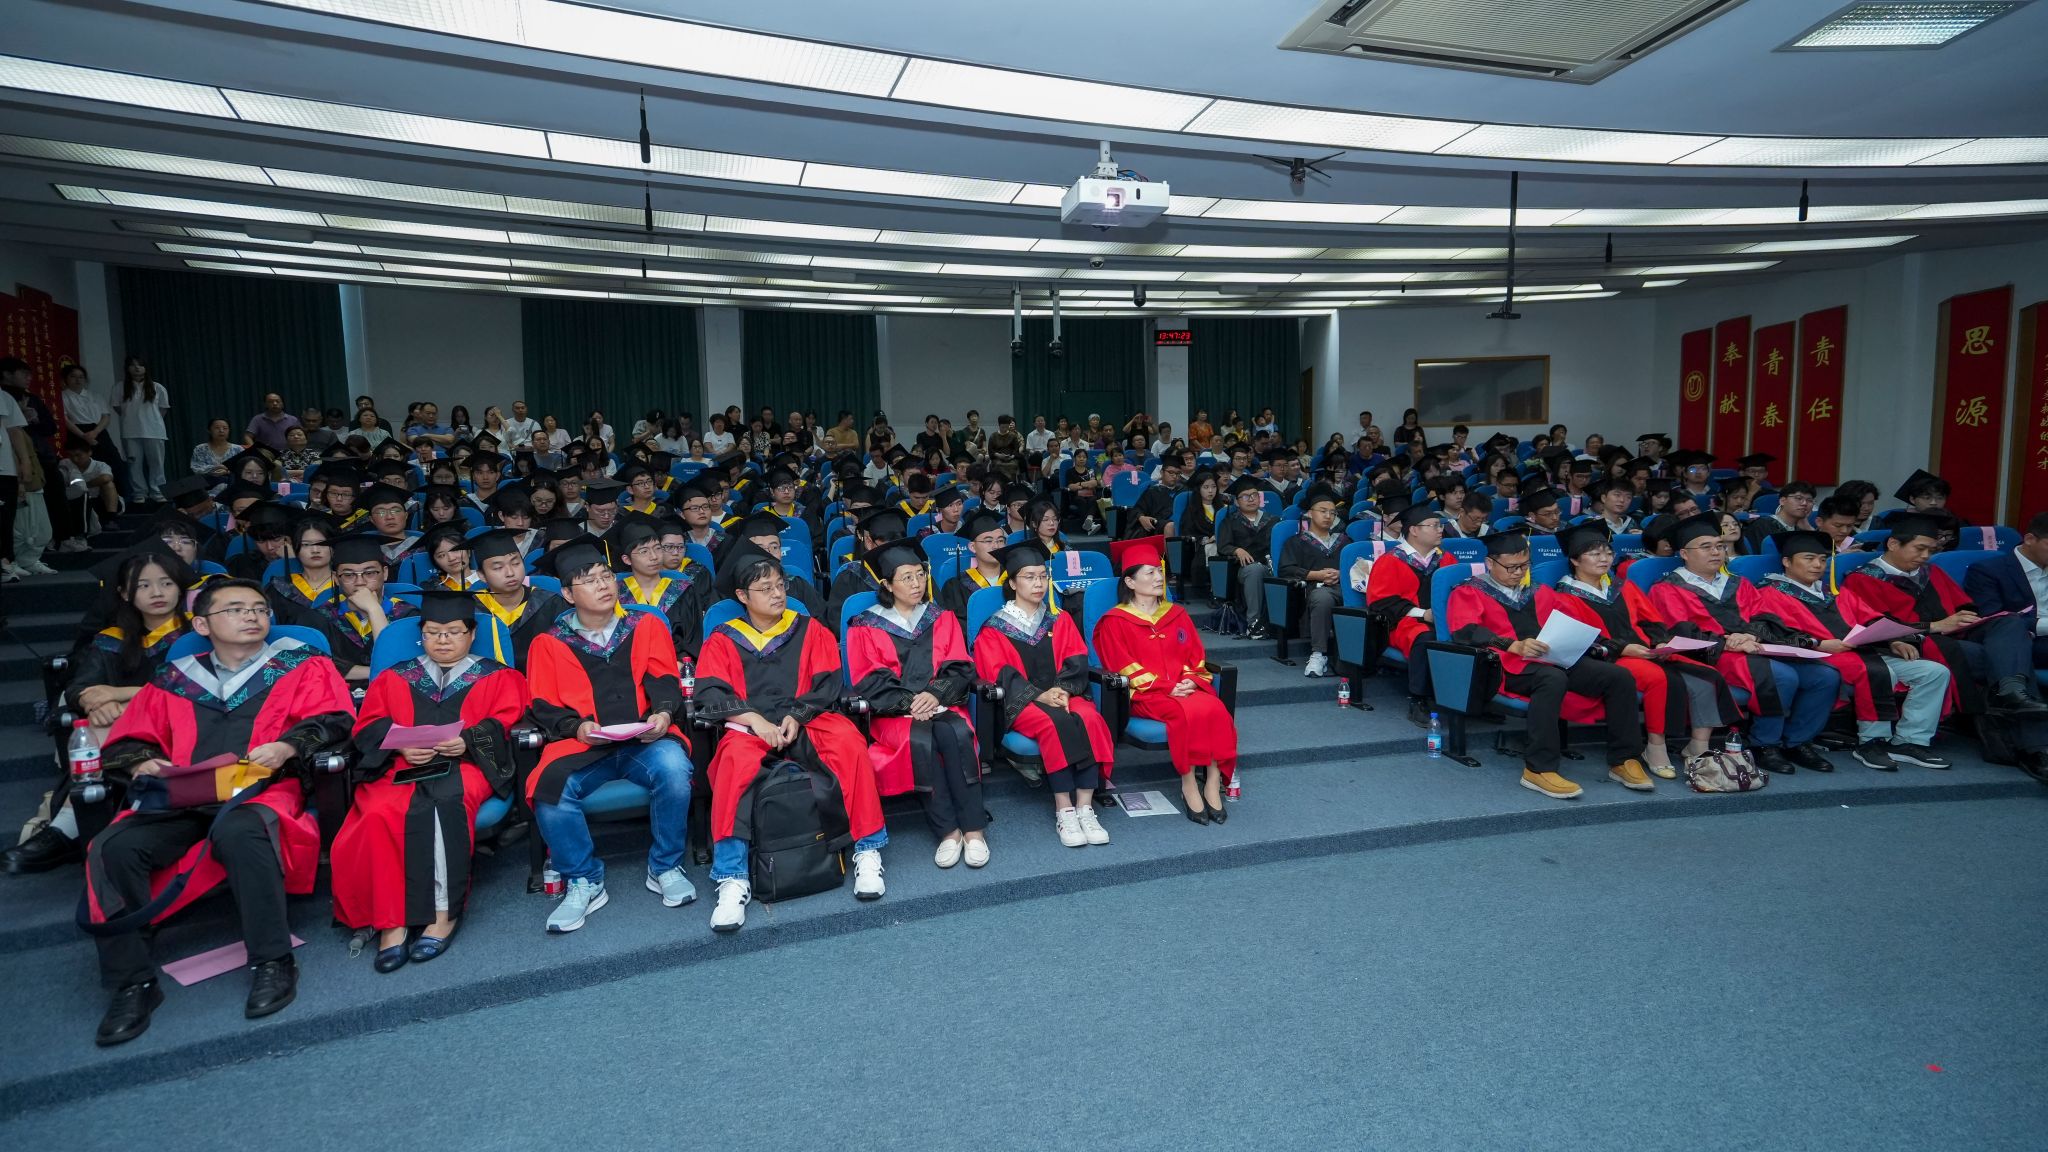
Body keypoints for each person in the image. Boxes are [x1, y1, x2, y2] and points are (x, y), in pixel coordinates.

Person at [79, 578, 354, 1045]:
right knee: (113, 847)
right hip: (181, 794)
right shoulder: (174, 678)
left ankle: (272, 959)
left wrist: (288, 746)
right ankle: (133, 982)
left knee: (243, 832)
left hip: (261, 791)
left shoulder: (302, 665)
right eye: (236, 609)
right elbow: (129, 739)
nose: (252, 616)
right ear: (202, 625)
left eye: (259, 608)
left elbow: (335, 719)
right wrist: (141, 761)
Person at [695, 543, 889, 932]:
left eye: (780, 585)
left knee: (849, 742)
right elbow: (710, 692)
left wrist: (797, 716)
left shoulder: (808, 628)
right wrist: (754, 720)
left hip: (807, 718)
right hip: (750, 726)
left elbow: (827, 682)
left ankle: (868, 851)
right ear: (742, 596)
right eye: (765, 588)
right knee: (732, 762)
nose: (777, 593)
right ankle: (732, 878)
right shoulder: (723, 637)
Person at [332, 590, 526, 971]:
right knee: (379, 811)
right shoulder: (394, 677)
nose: (443, 640)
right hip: (400, 767)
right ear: (421, 635)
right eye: (433, 632)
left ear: (472, 634)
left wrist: (467, 740)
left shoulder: (498, 675)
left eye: (453, 632)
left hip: (465, 766)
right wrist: (400, 745)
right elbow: (367, 725)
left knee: (442, 805)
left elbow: (506, 719)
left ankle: (442, 913)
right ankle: (393, 922)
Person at [523, 543, 693, 933]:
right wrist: (576, 727)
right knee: (549, 788)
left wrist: (664, 713)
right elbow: (543, 704)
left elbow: (664, 679)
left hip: (643, 739)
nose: (603, 585)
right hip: (583, 745)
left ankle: (665, 866)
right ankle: (584, 879)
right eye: (589, 581)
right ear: (568, 594)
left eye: (606, 577)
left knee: (674, 769)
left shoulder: (645, 625)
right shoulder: (549, 642)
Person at [2, 552, 197, 875]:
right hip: (126, 731)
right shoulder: (112, 639)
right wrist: (97, 702)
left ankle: (65, 829)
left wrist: (119, 695)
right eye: (143, 585)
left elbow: (193, 689)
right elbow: (80, 688)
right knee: (98, 720)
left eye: (166, 583)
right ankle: (73, 827)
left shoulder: (197, 634)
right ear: (124, 593)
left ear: (180, 588)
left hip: (185, 727)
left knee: (103, 727)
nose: (157, 593)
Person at [1447, 533, 1650, 798]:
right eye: (1511, 567)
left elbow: (1573, 623)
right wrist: (1512, 645)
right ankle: (1539, 768)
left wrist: (1609, 646)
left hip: (1551, 659)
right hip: (1504, 666)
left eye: (1524, 565)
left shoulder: (1539, 591)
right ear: (1489, 563)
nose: (1518, 573)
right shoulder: (1469, 591)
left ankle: (1624, 759)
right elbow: (1465, 631)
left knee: (1618, 676)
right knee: (1552, 678)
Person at [1536, 524, 1736, 782]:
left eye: (1608, 553)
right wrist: (1623, 648)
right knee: (1657, 678)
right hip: (1609, 657)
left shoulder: (1623, 587)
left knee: (1706, 675)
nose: (1604, 558)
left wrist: (1661, 643)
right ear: (1575, 560)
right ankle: (1655, 746)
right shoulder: (1563, 595)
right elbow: (1579, 637)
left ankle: (1698, 745)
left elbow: (1650, 620)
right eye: (1595, 554)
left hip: (1646, 650)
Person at [1649, 514, 1842, 775]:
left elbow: (1764, 616)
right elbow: (1679, 630)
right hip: (1710, 654)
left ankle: (1797, 741)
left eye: (1719, 546)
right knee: (1781, 676)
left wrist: (1751, 635)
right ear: (1684, 553)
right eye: (1706, 547)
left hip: (1754, 648)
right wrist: (1729, 644)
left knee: (1824, 676)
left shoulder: (1738, 582)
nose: (1716, 552)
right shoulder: (1666, 588)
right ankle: (1765, 744)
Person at [1756, 531, 1955, 772]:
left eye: (1822, 559)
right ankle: (1871, 742)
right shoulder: (1769, 593)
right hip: (1820, 656)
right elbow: (1773, 633)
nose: (1818, 565)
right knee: (1878, 672)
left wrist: (1892, 640)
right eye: (1809, 558)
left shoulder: (1833, 591)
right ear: (1787, 562)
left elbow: (1870, 618)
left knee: (1934, 672)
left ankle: (1910, 740)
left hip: (1862, 651)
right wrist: (1819, 644)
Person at [845, 542, 983, 868]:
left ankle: (974, 829)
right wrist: (911, 703)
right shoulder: (864, 625)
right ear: (887, 584)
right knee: (924, 739)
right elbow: (868, 677)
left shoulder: (941, 617)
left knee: (956, 734)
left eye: (920, 575)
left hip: (942, 703)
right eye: (906, 577)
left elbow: (959, 664)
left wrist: (934, 695)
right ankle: (948, 831)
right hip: (894, 714)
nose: (916, 583)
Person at [972, 540, 1116, 847]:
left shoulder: (1059, 619)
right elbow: (998, 672)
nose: (1038, 583)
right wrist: (1039, 695)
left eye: (1042, 576)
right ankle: (1064, 809)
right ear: (1012, 583)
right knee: (1053, 722)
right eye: (1029, 577)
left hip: (1063, 693)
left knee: (1089, 717)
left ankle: (1085, 807)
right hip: (1022, 703)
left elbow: (1076, 658)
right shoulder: (995, 627)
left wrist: (1061, 690)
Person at [1841, 514, 2045, 717]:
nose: (1925, 556)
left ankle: (2011, 692)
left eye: (1931, 551)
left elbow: (1965, 605)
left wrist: (1967, 619)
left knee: (2009, 622)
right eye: (1920, 549)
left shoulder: (1931, 572)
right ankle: (2017, 705)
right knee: (2007, 656)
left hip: (1955, 633)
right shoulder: (1863, 579)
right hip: (1914, 641)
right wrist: (1936, 626)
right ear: (1893, 544)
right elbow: (1878, 627)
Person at [1091, 543, 1237, 823]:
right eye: (1150, 573)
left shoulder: (1177, 614)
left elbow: (1196, 656)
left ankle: (1212, 780)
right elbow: (1122, 666)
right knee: (1184, 712)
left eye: (1159, 571)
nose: (1159, 578)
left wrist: (1190, 681)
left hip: (1184, 687)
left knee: (1216, 709)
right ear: (1130, 582)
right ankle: (1188, 782)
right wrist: (1167, 687)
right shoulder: (1114, 621)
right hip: (1145, 694)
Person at [1365, 502, 1455, 716]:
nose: (1440, 530)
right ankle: (1419, 699)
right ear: (1414, 530)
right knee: (1426, 636)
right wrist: (1424, 614)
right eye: (1434, 525)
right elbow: (1380, 603)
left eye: (1440, 525)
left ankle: (1464, 699)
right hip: (1403, 623)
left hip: (1444, 619)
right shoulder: (1390, 561)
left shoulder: (1446, 559)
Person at [1278, 485, 1349, 678]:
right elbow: (1286, 569)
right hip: (1313, 591)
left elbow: (1356, 566)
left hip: (1343, 588)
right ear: (1309, 513)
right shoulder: (1296, 541)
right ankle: (1318, 654)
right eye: (1323, 511)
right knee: (1322, 598)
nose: (1328, 516)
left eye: (1332, 513)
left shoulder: (1345, 541)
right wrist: (1316, 575)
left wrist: (1340, 573)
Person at [615, 516, 709, 659]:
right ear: (627, 559)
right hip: (629, 666)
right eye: (644, 551)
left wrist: (680, 663)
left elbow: (693, 639)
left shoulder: (683, 590)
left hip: (676, 664)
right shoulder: (616, 594)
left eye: (657, 548)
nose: (654, 556)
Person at [326, 534, 417, 680]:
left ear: (385, 573)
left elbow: (398, 661)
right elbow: (316, 665)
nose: (360, 582)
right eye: (349, 575)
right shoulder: (323, 617)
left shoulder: (408, 615)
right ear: (336, 578)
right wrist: (377, 672)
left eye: (369, 573)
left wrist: (374, 609)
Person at [1215, 475, 1277, 638]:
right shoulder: (1230, 521)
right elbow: (1223, 546)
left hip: (1270, 566)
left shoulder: (1273, 520)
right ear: (1236, 502)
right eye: (1245, 496)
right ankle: (1254, 623)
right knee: (1255, 570)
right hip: (1244, 569)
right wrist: (1237, 550)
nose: (1251, 499)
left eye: (1254, 495)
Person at [113, 356, 170, 505]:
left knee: (156, 464)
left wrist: (151, 421)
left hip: (154, 431)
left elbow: (163, 409)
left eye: (140, 365)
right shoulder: (120, 387)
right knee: (134, 464)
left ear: (146, 368)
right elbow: (118, 408)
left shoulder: (157, 387)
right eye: (133, 365)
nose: (137, 368)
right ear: (127, 368)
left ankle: (157, 492)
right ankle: (139, 493)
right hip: (130, 432)